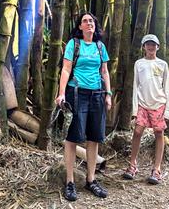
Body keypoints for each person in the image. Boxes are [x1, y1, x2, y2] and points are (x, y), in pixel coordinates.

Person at [55, 12, 112, 201]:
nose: (89, 24)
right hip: (76, 94)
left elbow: (104, 71)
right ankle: (70, 181)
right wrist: (61, 93)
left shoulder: (100, 46)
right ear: (80, 26)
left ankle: (91, 179)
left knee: (94, 138)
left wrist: (108, 94)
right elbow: (66, 69)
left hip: (96, 94)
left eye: (91, 21)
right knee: (72, 138)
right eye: (85, 21)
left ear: (95, 25)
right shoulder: (74, 44)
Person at [123, 34, 169, 184]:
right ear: (143, 47)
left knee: (159, 133)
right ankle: (132, 165)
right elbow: (136, 86)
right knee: (137, 132)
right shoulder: (139, 63)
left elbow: (167, 88)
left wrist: (167, 110)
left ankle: (156, 169)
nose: (151, 47)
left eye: (153, 44)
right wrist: (135, 110)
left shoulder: (163, 64)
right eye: (148, 44)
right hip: (143, 103)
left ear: (158, 47)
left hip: (159, 103)